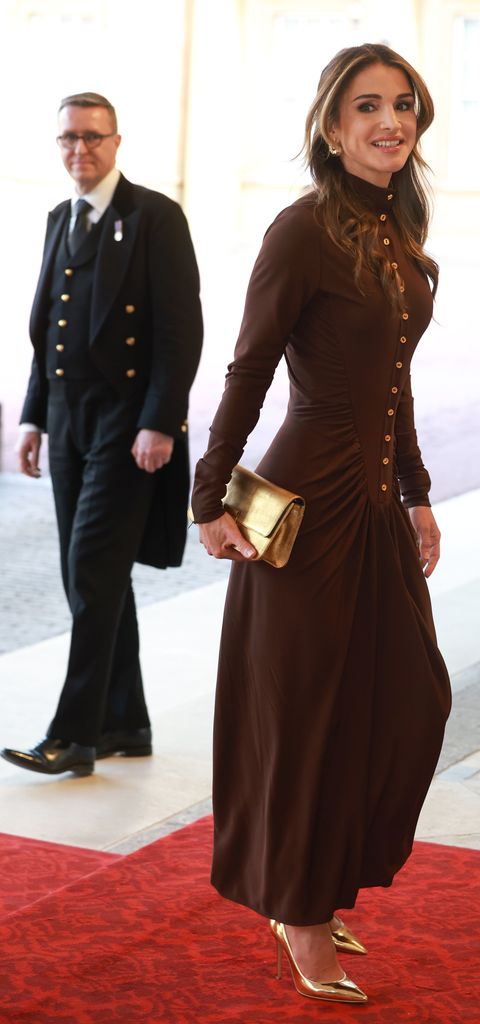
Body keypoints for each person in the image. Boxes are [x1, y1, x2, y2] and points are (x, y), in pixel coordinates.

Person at [191, 44, 451, 1004]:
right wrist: (210, 497)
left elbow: (399, 385)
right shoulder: (303, 231)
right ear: (333, 126)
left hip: (376, 507)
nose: (391, 122)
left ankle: (319, 876)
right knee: (304, 715)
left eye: (405, 106)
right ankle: (298, 909)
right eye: (368, 107)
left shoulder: (398, 232)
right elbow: (249, 369)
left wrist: (418, 493)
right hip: (306, 512)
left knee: (404, 699)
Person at [2, 92, 203, 778]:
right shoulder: (61, 218)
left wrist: (159, 420)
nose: (78, 150)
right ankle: (125, 721)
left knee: (92, 569)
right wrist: (33, 415)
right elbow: (46, 332)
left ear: (116, 141)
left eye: (91, 137)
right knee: (88, 573)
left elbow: (181, 331)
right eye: (67, 139)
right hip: (66, 416)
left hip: (126, 422)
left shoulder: (154, 217)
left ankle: (75, 734)